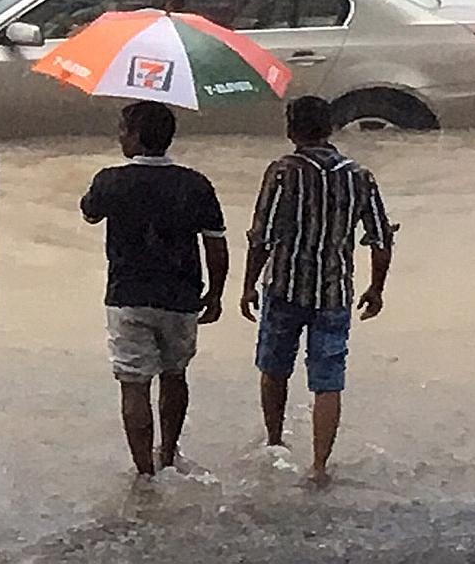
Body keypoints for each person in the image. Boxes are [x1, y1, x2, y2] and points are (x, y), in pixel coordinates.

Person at [240, 96, 394, 486]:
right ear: (329, 128)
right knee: (328, 379)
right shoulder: (359, 174)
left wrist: (246, 287)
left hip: (284, 287)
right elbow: (379, 239)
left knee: (274, 368)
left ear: (292, 129)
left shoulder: (282, 172)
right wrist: (376, 289)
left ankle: (274, 442)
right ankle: (320, 465)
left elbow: (262, 235)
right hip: (335, 292)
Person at [81, 101, 228, 476]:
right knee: (175, 374)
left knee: (134, 384)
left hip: (127, 297)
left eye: (122, 130)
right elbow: (216, 244)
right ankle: (169, 454)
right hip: (180, 297)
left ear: (133, 136)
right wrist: (215, 293)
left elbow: (90, 212)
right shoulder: (195, 183)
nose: (118, 136)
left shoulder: (110, 180)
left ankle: (144, 472)